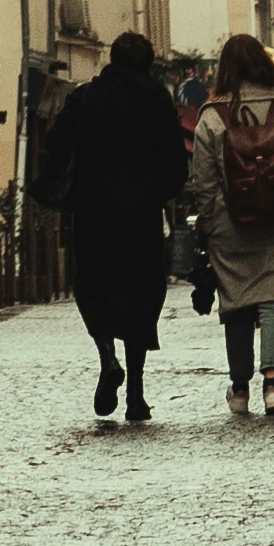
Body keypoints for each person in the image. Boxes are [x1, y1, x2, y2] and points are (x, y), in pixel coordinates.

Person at [45, 36, 188, 424]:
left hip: (94, 214)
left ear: (111, 59)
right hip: (141, 216)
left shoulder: (87, 97)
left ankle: (107, 357)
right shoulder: (157, 100)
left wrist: (74, 188)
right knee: (140, 295)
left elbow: (55, 143)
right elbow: (176, 162)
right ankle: (136, 394)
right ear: (148, 63)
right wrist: (155, 193)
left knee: (95, 287)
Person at [189, 31, 274, 417]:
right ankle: (272, 386)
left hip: (229, 227)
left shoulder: (211, 117)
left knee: (237, 302)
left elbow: (203, 182)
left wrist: (210, 225)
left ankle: (240, 388)